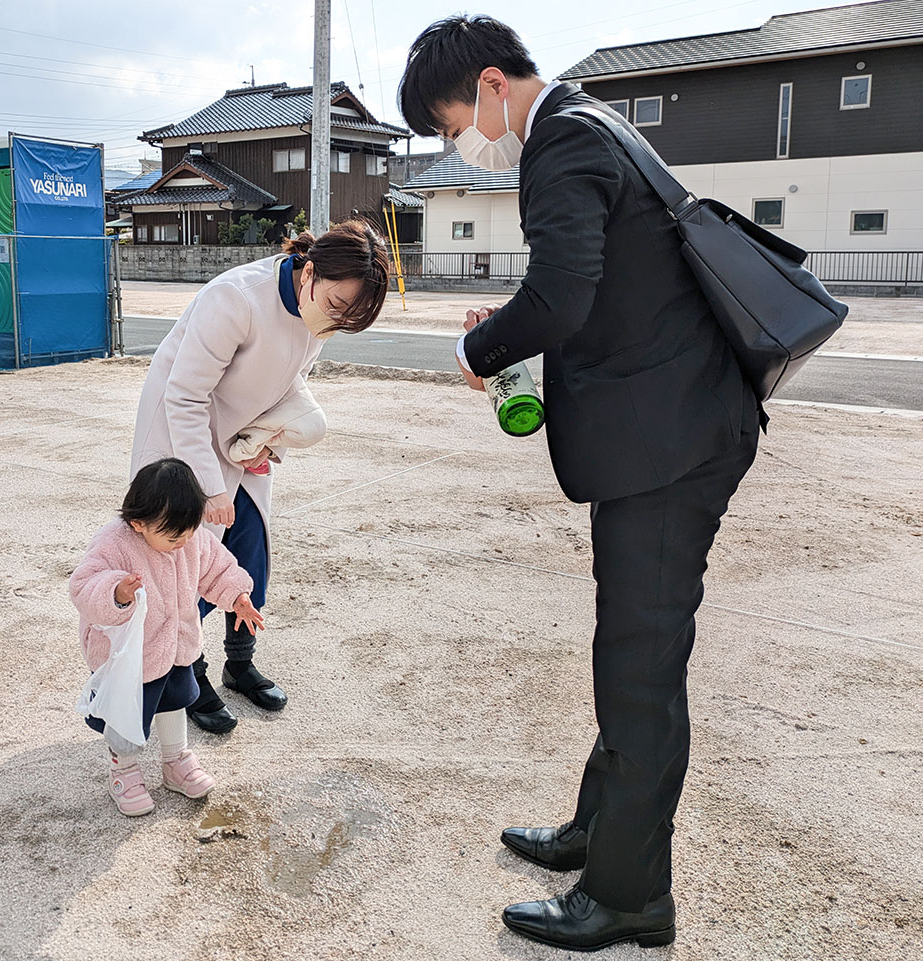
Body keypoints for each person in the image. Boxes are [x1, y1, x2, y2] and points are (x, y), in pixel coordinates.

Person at [398, 16, 762, 952]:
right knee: (627, 652)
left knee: (640, 668)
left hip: (670, 443)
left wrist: (478, 349)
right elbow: (592, 290)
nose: (459, 146)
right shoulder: (593, 122)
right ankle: (598, 829)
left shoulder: (561, 139)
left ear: (491, 84)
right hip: (671, 426)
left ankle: (630, 894)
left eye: (451, 126)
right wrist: (517, 321)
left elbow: (560, 298)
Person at [131, 221, 389, 733]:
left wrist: (268, 444)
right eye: (337, 306)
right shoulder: (237, 298)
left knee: (249, 552)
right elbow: (184, 396)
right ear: (309, 272)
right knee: (188, 566)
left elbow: (293, 383)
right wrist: (209, 487)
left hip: (241, 438)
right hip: (183, 440)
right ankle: (190, 675)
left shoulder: (318, 315)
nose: (336, 321)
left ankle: (240, 662)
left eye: (349, 319)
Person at [68, 458, 265, 817]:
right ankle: (124, 771)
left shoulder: (189, 538)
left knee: (175, 699)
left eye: (189, 533)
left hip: (175, 644)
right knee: (127, 714)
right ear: (138, 523)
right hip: (130, 654)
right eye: (174, 538)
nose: (183, 543)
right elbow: (83, 584)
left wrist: (237, 596)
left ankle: (176, 760)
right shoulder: (114, 542)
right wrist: (117, 593)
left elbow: (216, 568)